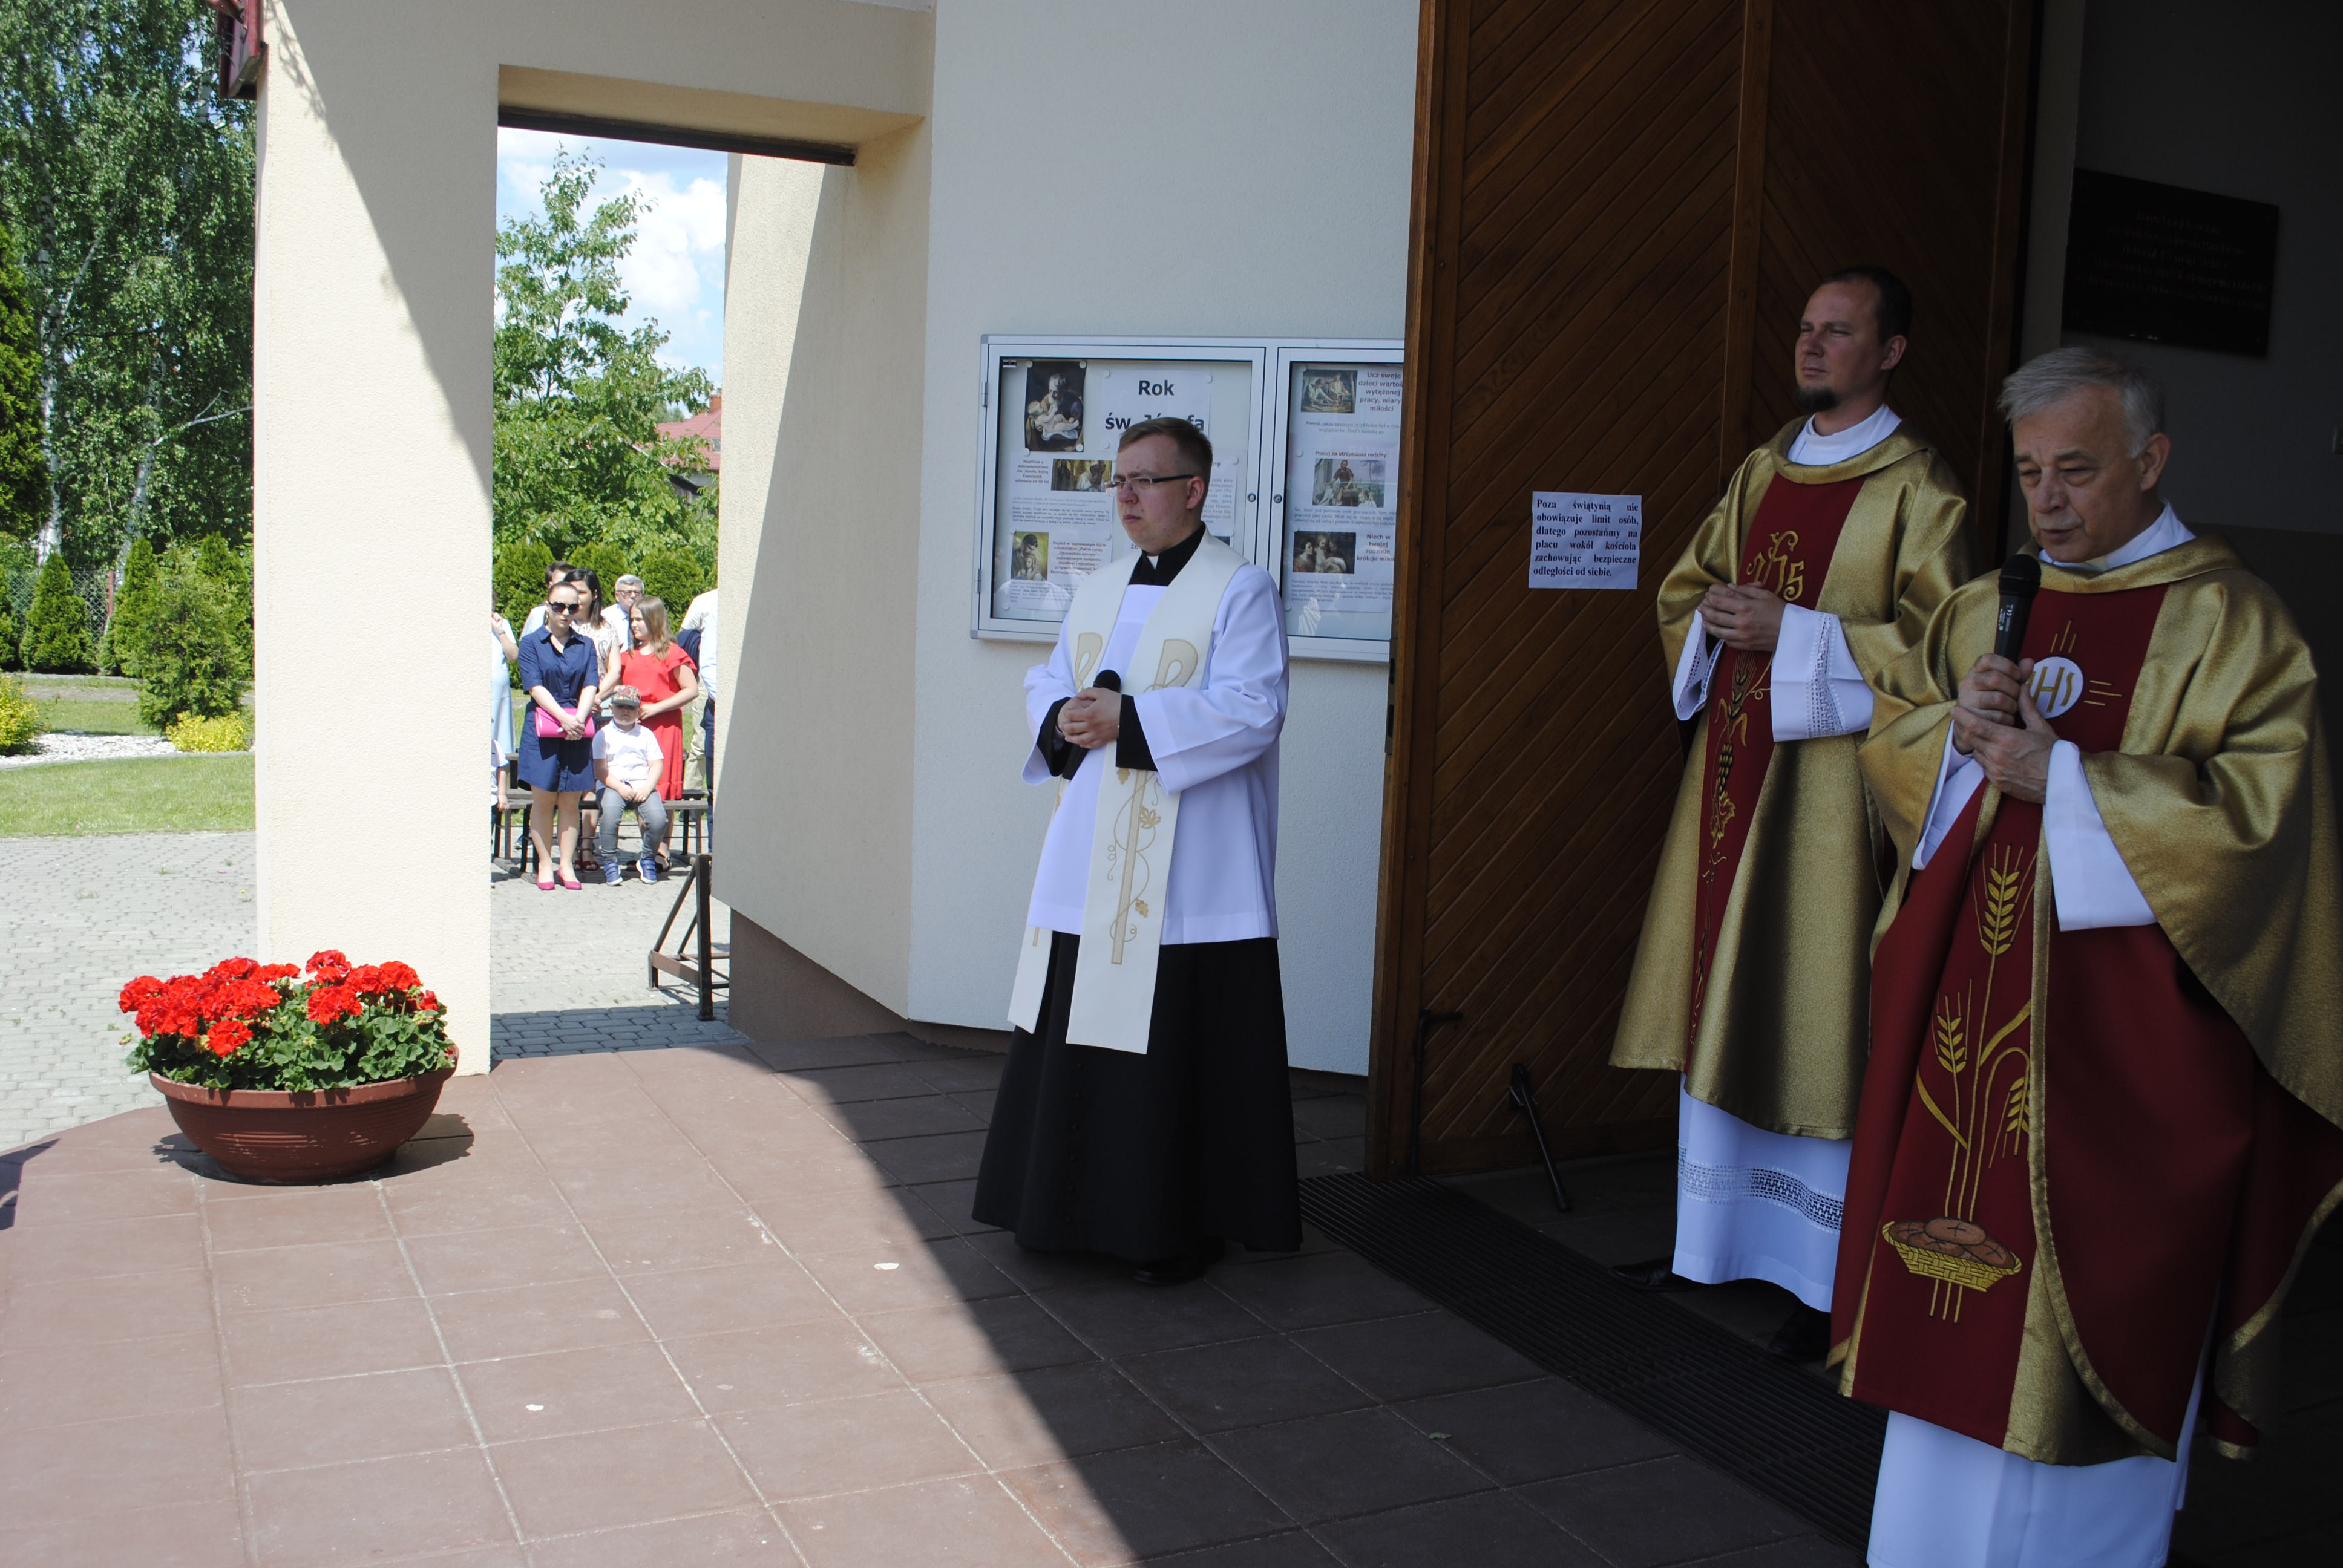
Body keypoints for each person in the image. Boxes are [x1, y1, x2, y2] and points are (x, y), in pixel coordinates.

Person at [1834, 347, 2343, 1568]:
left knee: (2082, 1351)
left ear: (2151, 461)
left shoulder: (2232, 621)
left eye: (2076, 470)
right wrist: (1952, 743)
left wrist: (2065, 781)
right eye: (2028, 474)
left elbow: (2262, 834)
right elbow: (1894, 747)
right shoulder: (1981, 606)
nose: (2048, 502)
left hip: (2124, 1071)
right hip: (1973, 1049)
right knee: (1941, 1341)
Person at [1608, 266, 1975, 1361]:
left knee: (1810, 1007)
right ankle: (1705, 1243)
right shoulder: (1765, 465)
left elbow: (1942, 654)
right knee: (1720, 996)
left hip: (1826, 808)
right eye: (1806, 331)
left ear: (1891, 351)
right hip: (1731, 778)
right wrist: (1715, 619)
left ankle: (1818, 1278)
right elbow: (1689, 584)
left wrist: (1802, 633)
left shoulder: (1923, 488)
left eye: (1839, 332)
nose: (1812, 348)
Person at [973, 415, 1299, 1285]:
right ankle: (1063, 1210)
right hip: (1091, 852)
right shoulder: (1099, 585)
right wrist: (1065, 715)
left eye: (1145, 481)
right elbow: (1049, 674)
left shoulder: (1241, 590)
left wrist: (1134, 720)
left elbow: (1253, 708)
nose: (1125, 496)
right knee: (1077, 1023)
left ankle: (1168, 1225)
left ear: (1193, 490)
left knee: (1172, 1042)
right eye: (1117, 481)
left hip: (1190, 867)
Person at [514, 580, 601, 890]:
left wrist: (578, 718)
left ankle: (566, 865)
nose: (566, 612)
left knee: (570, 802)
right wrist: (564, 718)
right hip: (544, 727)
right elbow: (535, 686)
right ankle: (545, 864)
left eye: (573, 607)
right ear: (548, 606)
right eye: (559, 606)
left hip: (576, 729)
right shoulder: (531, 644)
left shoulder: (586, 645)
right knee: (544, 800)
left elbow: (591, 684)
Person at [615, 595, 701, 863]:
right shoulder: (627, 656)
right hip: (634, 729)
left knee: (661, 790)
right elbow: (611, 683)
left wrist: (657, 707)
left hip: (664, 726)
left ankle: (662, 850)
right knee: (640, 785)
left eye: (639, 619)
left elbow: (691, 690)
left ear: (654, 619)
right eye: (631, 620)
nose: (634, 625)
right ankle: (647, 850)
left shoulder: (672, 653)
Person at [591, 686, 669, 884]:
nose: (626, 711)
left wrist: (647, 787)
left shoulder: (646, 734)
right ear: (612, 708)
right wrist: (620, 788)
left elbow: (657, 765)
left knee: (659, 820)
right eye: (621, 707)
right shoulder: (603, 734)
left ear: (638, 710)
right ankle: (610, 860)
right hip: (613, 783)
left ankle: (648, 858)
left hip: (642, 783)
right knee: (609, 816)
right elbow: (600, 770)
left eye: (631, 708)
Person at [682, 586, 719, 790]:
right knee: (701, 738)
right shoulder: (704, 601)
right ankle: (692, 794)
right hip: (708, 675)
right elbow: (685, 636)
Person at [491, 599, 519, 822]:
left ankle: (500, 795)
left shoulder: (501, 623)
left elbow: (513, 655)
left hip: (497, 692)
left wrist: (500, 631)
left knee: (498, 745)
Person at [520, 559, 578, 636]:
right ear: (551, 586)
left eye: (570, 585)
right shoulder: (538, 613)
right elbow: (527, 644)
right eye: (561, 584)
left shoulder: (584, 613)